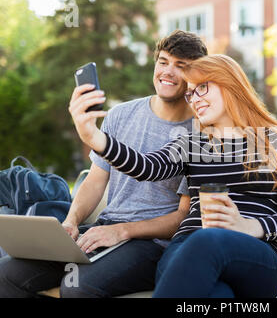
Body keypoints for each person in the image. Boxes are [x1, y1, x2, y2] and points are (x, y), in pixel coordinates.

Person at [69, 54, 277, 298]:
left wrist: (247, 226)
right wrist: (94, 138)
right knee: (217, 295)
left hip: (253, 254)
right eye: (190, 93)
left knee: (207, 241)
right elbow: (146, 166)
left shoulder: (276, 143)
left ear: (229, 82)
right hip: (185, 250)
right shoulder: (193, 144)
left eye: (202, 88)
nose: (195, 99)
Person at [0, 30, 208, 298]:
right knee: (6, 274)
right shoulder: (121, 114)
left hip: (153, 245)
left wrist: (122, 231)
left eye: (182, 66)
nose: (168, 72)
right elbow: (96, 179)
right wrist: (71, 221)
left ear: (197, 76)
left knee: (78, 287)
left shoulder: (201, 133)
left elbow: (183, 216)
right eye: (164, 61)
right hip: (104, 231)